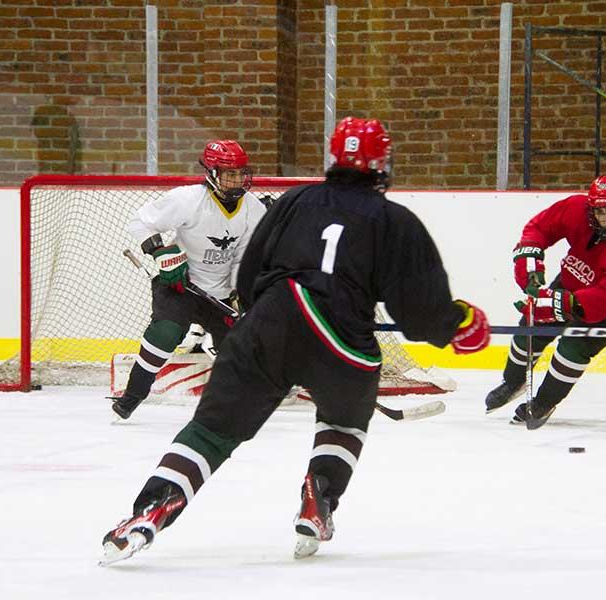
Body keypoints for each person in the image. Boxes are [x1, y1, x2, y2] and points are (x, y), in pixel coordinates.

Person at [99, 116, 491, 565]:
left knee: (211, 431)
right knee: (343, 422)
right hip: (342, 343)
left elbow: (248, 279)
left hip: (268, 325)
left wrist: (264, 325)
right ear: (384, 163)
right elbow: (420, 315)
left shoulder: (294, 201)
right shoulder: (395, 221)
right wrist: (459, 324)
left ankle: (150, 512)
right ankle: (319, 493)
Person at [111, 140, 267, 420]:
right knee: (165, 335)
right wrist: (160, 251)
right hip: (179, 287)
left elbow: (246, 257)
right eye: (229, 173)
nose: (237, 180)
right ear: (211, 172)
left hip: (220, 296)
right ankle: (132, 396)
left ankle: (232, 407)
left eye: (241, 173)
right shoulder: (188, 199)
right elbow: (139, 222)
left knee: (237, 350)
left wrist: (242, 294)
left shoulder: (253, 209)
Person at [484, 175, 606, 429]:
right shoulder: (575, 208)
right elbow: (539, 228)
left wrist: (558, 304)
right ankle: (513, 381)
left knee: (573, 348)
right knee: (530, 326)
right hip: (574, 280)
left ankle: (543, 402)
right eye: (600, 211)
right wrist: (529, 261)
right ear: (590, 207)